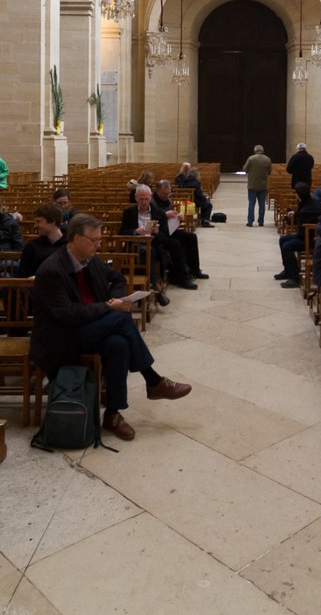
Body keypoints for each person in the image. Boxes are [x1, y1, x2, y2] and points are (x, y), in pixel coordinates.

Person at [30, 214, 192, 441]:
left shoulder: (89, 260)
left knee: (119, 344)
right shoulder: (52, 269)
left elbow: (117, 278)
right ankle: (153, 380)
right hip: (60, 337)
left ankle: (113, 414)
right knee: (121, 320)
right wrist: (108, 307)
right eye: (94, 240)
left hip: (88, 328)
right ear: (76, 239)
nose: (99, 244)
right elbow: (66, 314)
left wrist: (116, 299)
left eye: (100, 239)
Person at [119, 184, 182, 305]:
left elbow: (164, 236)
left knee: (149, 251)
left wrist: (157, 232)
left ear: (150, 197)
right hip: (134, 245)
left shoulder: (158, 212)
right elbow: (122, 232)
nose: (144, 202)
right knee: (146, 251)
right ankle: (157, 287)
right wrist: (135, 231)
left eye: (146, 199)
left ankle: (146, 289)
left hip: (153, 244)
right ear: (136, 198)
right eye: (141, 199)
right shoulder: (129, 212)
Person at [153, 180, 208, 281]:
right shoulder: (152, 202)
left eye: (168, 193)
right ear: (157, 190)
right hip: (159, 233)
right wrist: (165, 215)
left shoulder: (168, 201)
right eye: (164, 194)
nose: (167, 196)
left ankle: (195, 270)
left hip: (169, 230)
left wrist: (178, 217)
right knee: (175, 243)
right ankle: (183, 276)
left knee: (191, 237)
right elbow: (152, 218)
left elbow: (171, 216)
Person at [276, 182, 321, 288]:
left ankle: (294, 277)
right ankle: (287, 270)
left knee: (287, 246)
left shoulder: (305, 209)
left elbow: (297, 225)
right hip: (308, 236)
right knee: (282, 239)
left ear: (299, 195)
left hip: (310, 239)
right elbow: (301, 212)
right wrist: (295, 213)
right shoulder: (312, 202)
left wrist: (289, 218)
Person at [17, 203, 67, 277]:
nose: (35, 226)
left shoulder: (70, 245)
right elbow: (22, 276)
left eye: (38, 221)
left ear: (53, 221)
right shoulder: (32, 246)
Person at [174, 162, 214, 226]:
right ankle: (205, 221)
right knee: (208, 205)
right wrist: (204, 198)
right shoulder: (194, 182)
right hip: (191, 202)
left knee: (204, 203)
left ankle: (203, 219)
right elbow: (199, 195)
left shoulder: (177, 178)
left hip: (179, 201)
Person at [242, 144, 272, 227]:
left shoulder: (251, 158)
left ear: (255, 151)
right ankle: (261, 221)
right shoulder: (267, 159)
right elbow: (269, 171)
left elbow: (245, 169)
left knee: (251, 203)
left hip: (252, 184)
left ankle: (250, 221)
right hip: (263, 185)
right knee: (262, 204)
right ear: (262, 150)